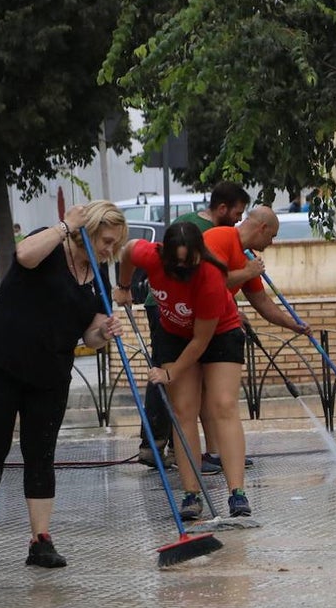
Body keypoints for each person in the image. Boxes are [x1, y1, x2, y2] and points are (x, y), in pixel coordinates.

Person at [0, 202, 127, 568]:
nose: (109, 250)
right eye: (105, 240)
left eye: (115, 244)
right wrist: (64, 227)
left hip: (49, 373)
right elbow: (23, 255)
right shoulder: (50, 244)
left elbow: (90, 335)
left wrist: (104, 331)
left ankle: (40, 540)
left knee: (41, 453)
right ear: (89, 229)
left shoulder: (99, 274)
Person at [115, 221, 251, 520]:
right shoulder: (149, 255)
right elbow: (126, 252)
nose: (182, 272)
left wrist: (170, 372)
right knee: (183, 410)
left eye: (189, 265)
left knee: (223, 405)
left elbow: (201, 341)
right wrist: (124, 287)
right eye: (176, 265)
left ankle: (237, 493)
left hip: (218, 334)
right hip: (174, 334)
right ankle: (191, 494)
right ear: (164, 255)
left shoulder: (211, 277)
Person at [136, 181, 251, 469]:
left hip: (190, 310)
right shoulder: (198, 232)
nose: (239, 219)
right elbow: (213, 281)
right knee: (168, 372)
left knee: (176, 375)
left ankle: (177, 447)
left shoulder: (209, 230)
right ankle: (158, 444)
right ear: (222, 208)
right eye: (237, 212)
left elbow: (211, 287)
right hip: (167, 307)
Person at [200, 206, 312, 464]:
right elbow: (209, 282)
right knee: (201, 395)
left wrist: (292, 325)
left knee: (220, 396)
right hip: (196, 326)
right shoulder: (220, 238)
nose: (271, 244)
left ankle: (218, 453)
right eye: (271, 236)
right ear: (262, 228)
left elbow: (262, 302)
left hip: (221, 327)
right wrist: (248, 273)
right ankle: (205, 454)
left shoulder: (245, 255)